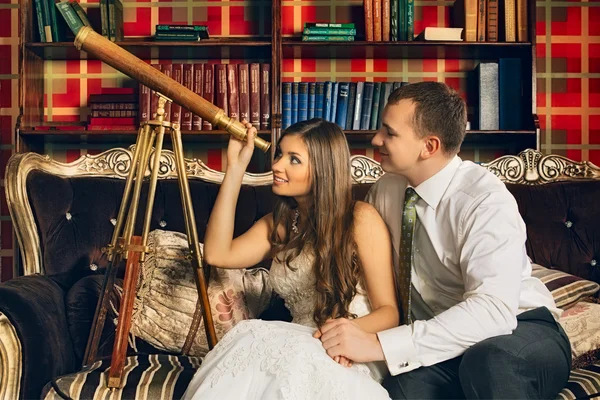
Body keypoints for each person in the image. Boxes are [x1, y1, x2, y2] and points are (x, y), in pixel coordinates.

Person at [314, 81, 572, 399]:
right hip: (441, 341)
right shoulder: (386, 190)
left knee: (490, 362)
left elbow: (493, 312)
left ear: (429, 146)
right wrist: (348, 333)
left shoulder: (484, 199)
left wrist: (379, 344)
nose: (375, 139)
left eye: (389, 132)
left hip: (521, 330)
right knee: (401, 390)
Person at [183, 118, 399, 400]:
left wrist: (339, 337)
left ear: (323, 170)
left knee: (264, 343)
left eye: (294, 159)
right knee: (253, 341)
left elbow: (389, 313)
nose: (277, 165)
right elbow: (217, 254)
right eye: (279, 154)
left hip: (350, 347)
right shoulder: (282, 224)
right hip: (299, 341)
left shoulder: (360, 218)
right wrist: (235, 168)